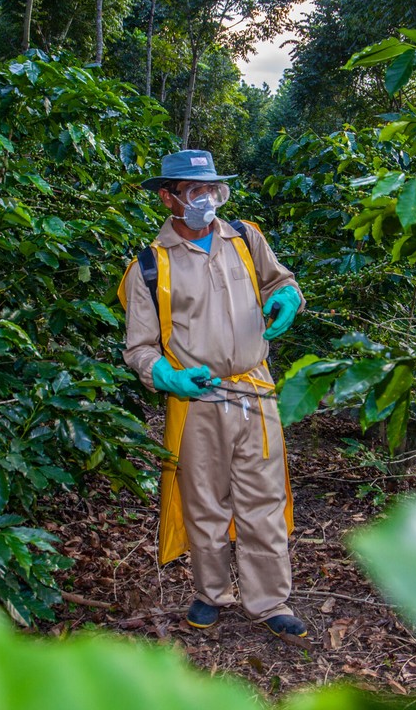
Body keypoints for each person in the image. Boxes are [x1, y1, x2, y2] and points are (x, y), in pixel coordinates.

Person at [117, 149, 307, 638]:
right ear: (168, 198)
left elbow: (282, 279)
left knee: (264, 498)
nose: (207, 199)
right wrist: (166, 375)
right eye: (194, 191)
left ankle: (270, 602)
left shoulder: (244, 237)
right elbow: (138, 347)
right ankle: (211, 592)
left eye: (212, 189)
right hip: (196, 399)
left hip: (256, 389)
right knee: (204, 502)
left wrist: (287, 296)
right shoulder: (149, 266)